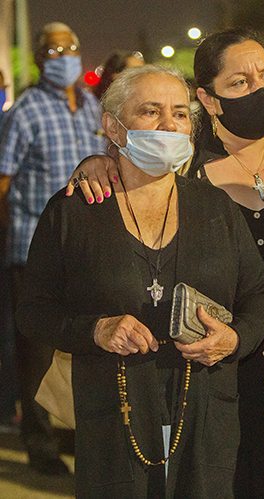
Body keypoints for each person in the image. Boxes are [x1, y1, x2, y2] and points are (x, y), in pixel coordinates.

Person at [65, 28, 264, 499]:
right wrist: (95, 161)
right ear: (209, 98)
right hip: (210, 372)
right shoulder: (185, 166)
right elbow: (130, 191)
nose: (261, 89)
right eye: (240, 82)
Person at [16, 64, 264, 498]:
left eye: (178, 112)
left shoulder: (218, 209)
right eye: (150, 112)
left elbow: (258, 298)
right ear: (113, 128)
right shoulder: (74, 212)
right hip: (113, 419)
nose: (169, 125)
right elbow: (32, 312)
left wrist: (234, 340)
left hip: (206, 416)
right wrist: (95, 329)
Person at [0, 21, 106, 475]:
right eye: (54, 49)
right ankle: (39, 441)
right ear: (41, 58)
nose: (64, 55)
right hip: (32, 247)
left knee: (81, 344)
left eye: (70, 47)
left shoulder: (91, 106)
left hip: (87, 248)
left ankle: (75, 430)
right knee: (37, 350)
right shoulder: (23, 112)